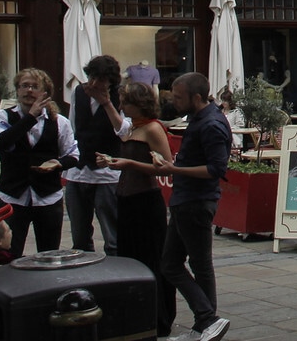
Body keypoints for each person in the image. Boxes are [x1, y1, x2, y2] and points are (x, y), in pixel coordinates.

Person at [157, 71, 231, 341]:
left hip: (196, 202)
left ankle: (207, 320)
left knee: (197, 265)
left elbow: (216, 169)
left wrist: (174, 169)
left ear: (196, 97)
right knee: (171, 264)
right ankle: (206, 322)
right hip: (185, 200)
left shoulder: (211, 124)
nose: (174, 102)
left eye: (179, 97)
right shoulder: (199, 119)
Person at [0, 67, 79, 255]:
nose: (29, 90)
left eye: (34, 86)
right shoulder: (2, 116)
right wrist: (31, 117)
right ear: (17, 90)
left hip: (48, 197)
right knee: (9, 253)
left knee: (49, 254)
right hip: (12, 197)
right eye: (24, 86)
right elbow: (2, 142)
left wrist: (59, 164)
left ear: (45, 93)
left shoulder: (59, 122)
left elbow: (74, 154)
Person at [100, 80, 170, 280]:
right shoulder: (133, 127)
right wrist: (111, 160)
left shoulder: (153, 128)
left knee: (149, 257)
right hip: (127, 200)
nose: (121, 107)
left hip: (145, 201)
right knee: (129, 256)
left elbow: (167, 168)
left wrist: (129, 164)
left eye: (125, 102)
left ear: (139, 103)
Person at [65, 54, 126, 254]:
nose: (93, 84)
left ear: (110, 81)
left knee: (112, 234)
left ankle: (116, 266)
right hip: (79, 170)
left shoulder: (121, 96)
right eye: (91, 77)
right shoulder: (78, 92)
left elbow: (124, 132)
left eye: (100, 79)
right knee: (79, 234)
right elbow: (73, 127)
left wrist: (107, 104)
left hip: (107, 174)